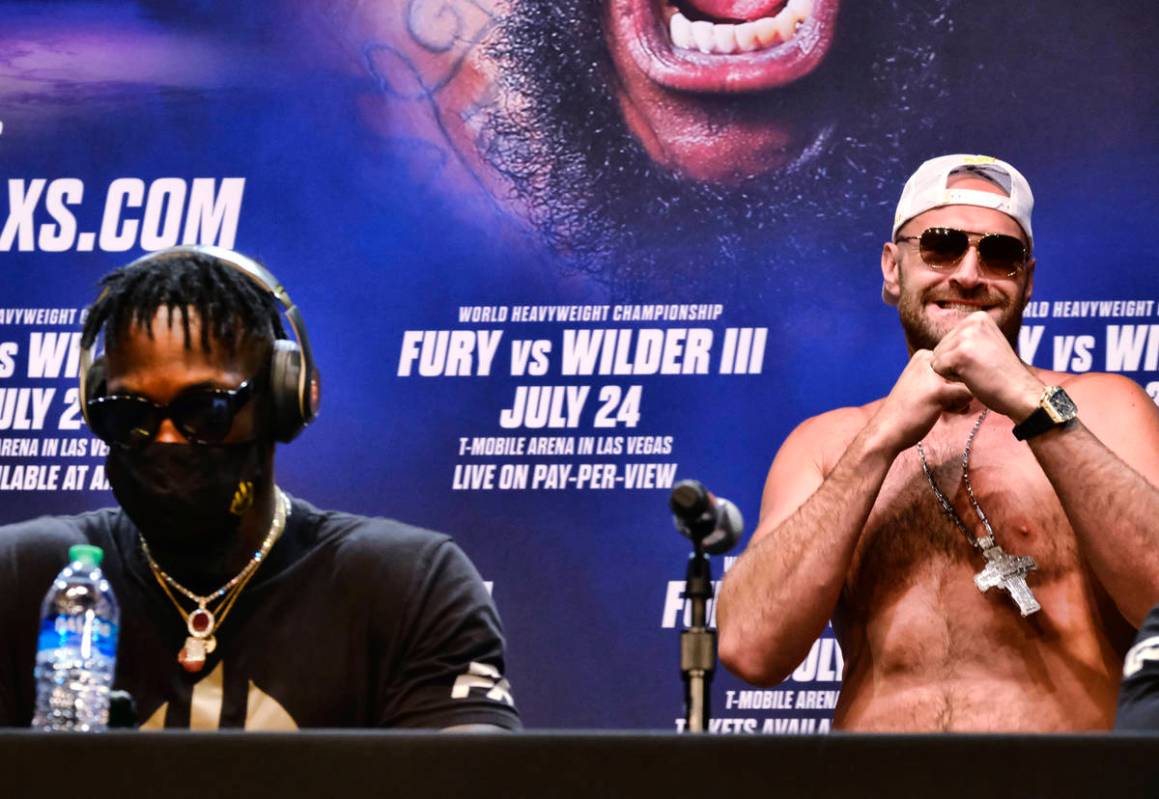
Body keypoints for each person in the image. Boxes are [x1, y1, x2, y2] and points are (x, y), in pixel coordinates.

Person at [716, 154, 1159, 731]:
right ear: (893, 268)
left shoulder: (1099, 407)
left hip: (1059, 783)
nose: (969, 274)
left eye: (999, 256)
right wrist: (880, 440)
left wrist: (1033, 406)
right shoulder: (829, 444)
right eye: (941, 246)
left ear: (1026, 282)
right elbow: (751, 647)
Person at [0, 246, 520, 731]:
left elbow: (471, 782)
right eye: (130, 415)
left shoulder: (404, 586)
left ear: (280, 401)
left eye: (204, 410)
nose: (166, 439)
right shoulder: (24, 579)